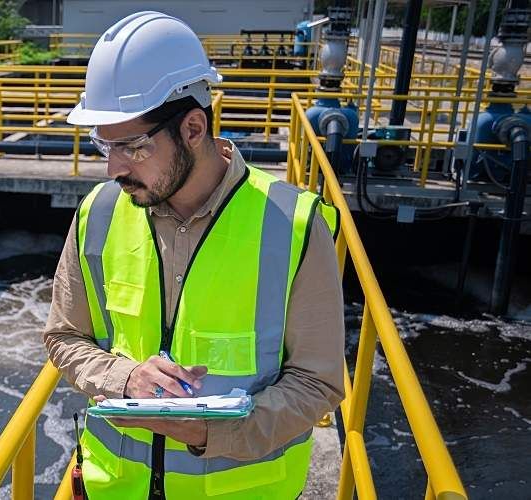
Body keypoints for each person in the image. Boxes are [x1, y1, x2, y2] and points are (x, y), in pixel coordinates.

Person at [43, 11, 346, 499]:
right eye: (103, 144)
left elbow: (318, 384)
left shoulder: (291, 225)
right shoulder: (97, 214)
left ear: (192, 128)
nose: (113, 168)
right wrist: (126, 378)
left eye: (133, 147)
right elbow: (64, 336)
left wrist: (212, 433)